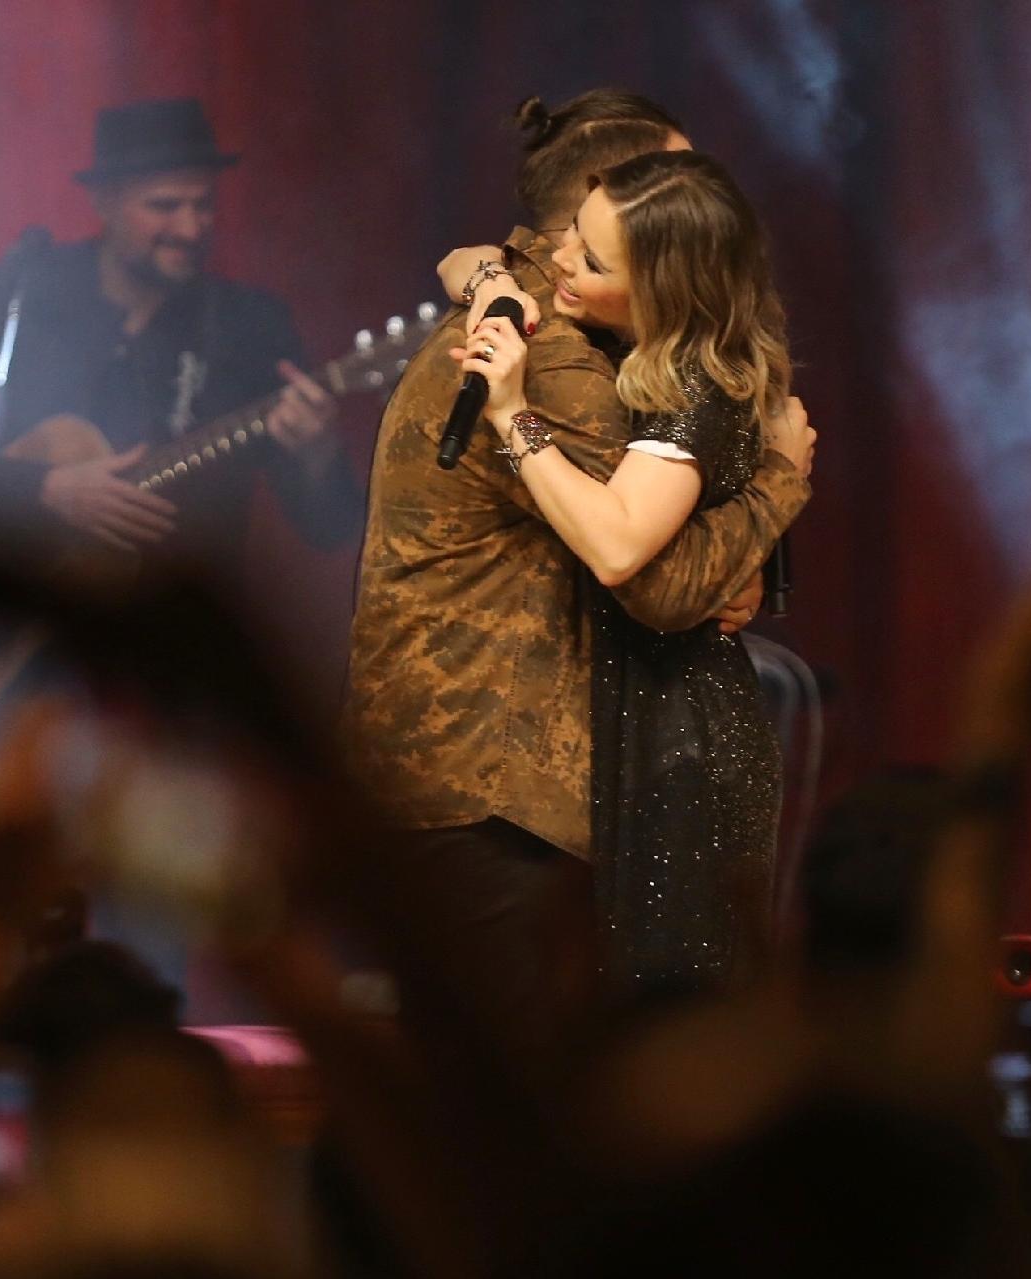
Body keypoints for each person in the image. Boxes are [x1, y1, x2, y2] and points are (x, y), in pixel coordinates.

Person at [343, 92, 810, 1058]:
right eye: (659, 181)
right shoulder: (555, 364)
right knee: (519, 1096)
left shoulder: (533, 313)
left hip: (475, 778)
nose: (689, 197)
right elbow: (656, 578)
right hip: (494, 785)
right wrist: (777, 484)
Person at [0, 96, 358, 955]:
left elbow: (328, 525)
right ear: (103, 202)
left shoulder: (249, 328)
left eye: (203, 205)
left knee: (153, 933)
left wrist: (315, 451)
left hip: (162, 685)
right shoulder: (19, 298)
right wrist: (46, 489)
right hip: (15, 672)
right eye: (165, 206)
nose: (191, 227)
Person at [457, 149, 813, 993]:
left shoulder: (693, 387)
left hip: (681, 742)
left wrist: (513, 416)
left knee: (670, 1013)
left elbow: (617, 545)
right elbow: (464, 257)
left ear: (661, 290)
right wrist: (489, 282)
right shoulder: (655, 353)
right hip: (647, 718)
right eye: (572, 236)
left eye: (591, 260)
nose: (560, 261)